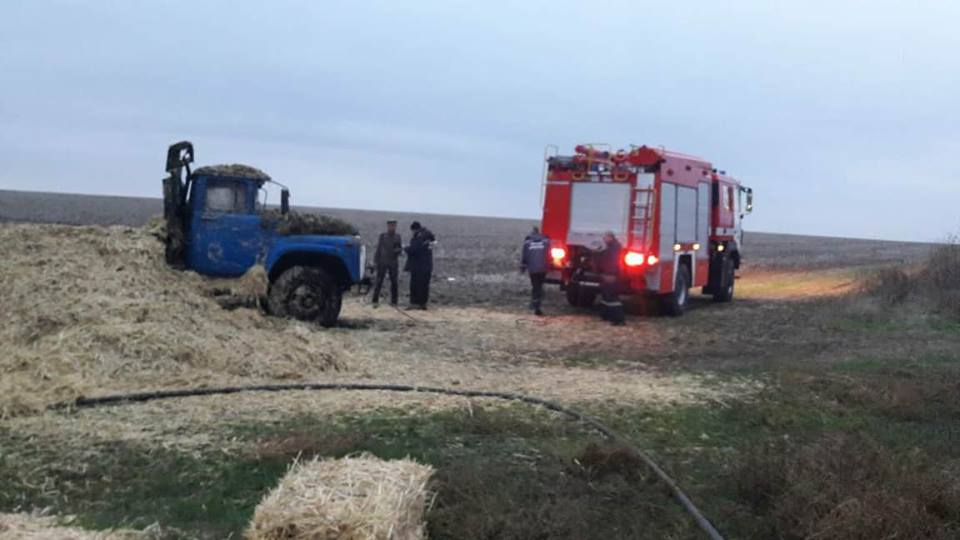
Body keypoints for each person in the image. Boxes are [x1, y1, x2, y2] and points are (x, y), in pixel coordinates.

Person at [404, 221, 436, 310]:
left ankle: (414, 303)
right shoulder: (428, 235)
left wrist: (406, 248)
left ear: (414, 229)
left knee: (415, 285)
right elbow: (433, 243)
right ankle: (423, 303)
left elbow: (415, 249)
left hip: (418, 266)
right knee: (424, 285)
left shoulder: (419, 237)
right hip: (427, 266)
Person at [596, 231, 626, 326]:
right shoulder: (611, 247)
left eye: (605, 237)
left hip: (611, 275)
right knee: (606, 296)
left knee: (612, 298)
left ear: (610, 237)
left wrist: (610, 274)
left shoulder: (614, 248)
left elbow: (612, 262)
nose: (604, 239)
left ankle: (619, 319)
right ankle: (606, 315)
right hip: (608, 274)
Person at [520, 226, 551, 316]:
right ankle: (537, 306)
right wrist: (550, 264)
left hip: (533, 269)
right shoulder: (545, 240)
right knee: (540, 286)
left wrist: (523, 267)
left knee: (535, 285)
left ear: (532, 232)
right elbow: (549, 253)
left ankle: (535, 305)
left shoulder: (528, 241)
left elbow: (524, 255)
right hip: (543, 268)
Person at [371, 220, 402, 307]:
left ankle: (394, 302)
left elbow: (399, 249)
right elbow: (378, 249)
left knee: (394, 282)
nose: (392, 227)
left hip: (393, 262)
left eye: (394, 226)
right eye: (391, 226)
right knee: (379, 281)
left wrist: (398, 251)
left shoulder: (398, 237)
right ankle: (375, 301)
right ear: (388, 226)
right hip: (382, 262)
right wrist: (376, 261)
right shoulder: (383, 236)